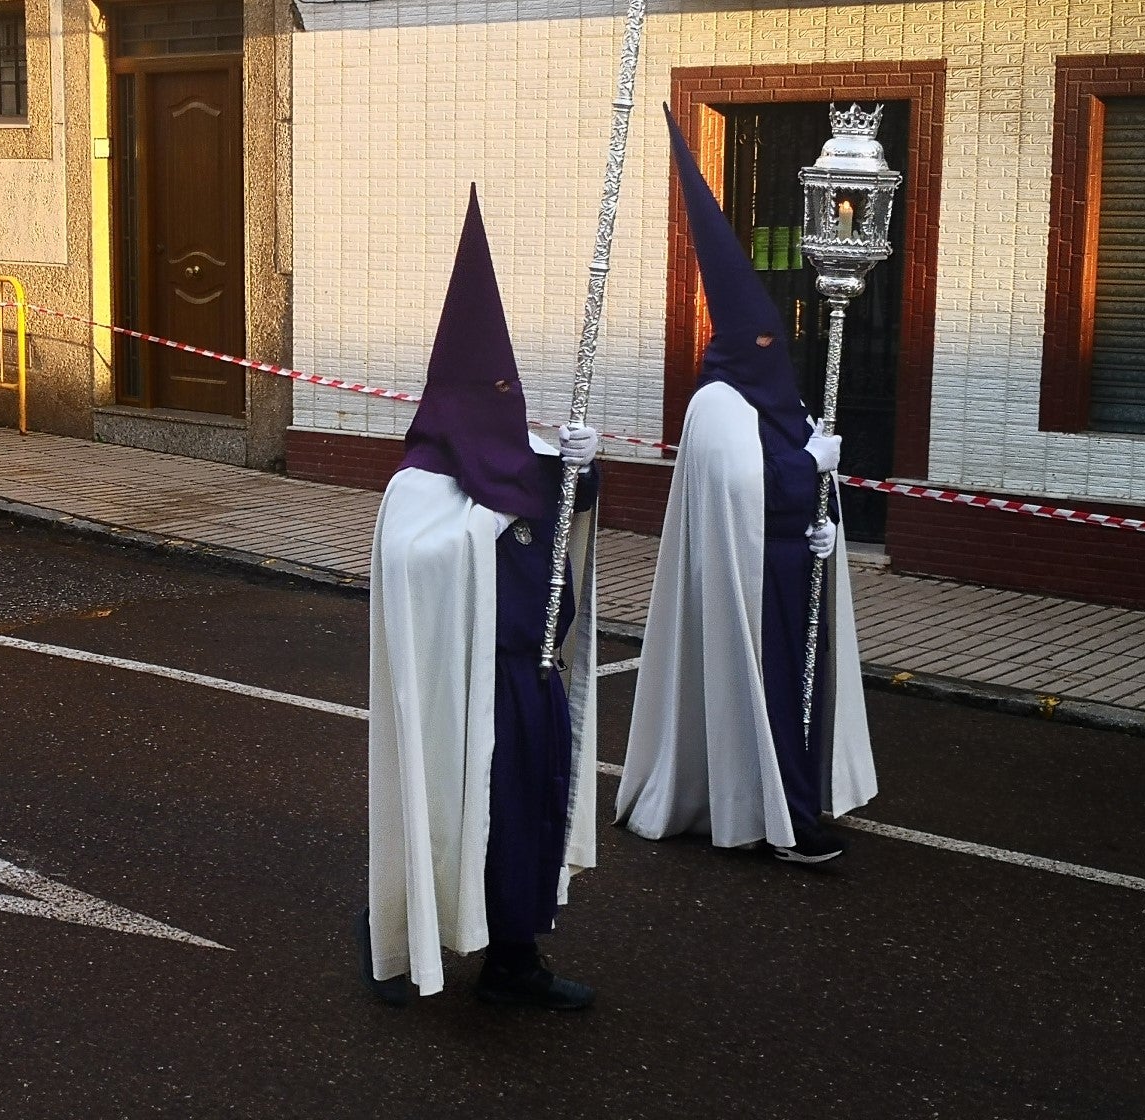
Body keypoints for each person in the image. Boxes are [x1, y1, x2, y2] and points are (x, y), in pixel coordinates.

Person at [360, 186, 603, 1010]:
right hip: (459, 689)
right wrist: (489, 521)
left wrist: (583, 465)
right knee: (454, 817)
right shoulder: (417, 486)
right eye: (485, 396)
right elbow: (419, 567)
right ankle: (395, 931)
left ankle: (513, 961)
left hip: (531, 679)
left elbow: (568, 506)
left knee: (527, 820)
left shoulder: (522, 461)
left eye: (510, 392)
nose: (502, 412)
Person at [612, 110, 876, 865]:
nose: (770, 353)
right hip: (748, 587)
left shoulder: (779, 401)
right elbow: (742, 487)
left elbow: (793, 484)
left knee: (802, 691)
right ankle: (775, 815)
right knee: (762, 693)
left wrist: (825, 523)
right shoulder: (717, 405)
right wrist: (808, 470)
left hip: (793, 573)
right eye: (758, 343)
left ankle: (800, 795)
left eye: (775, 342)